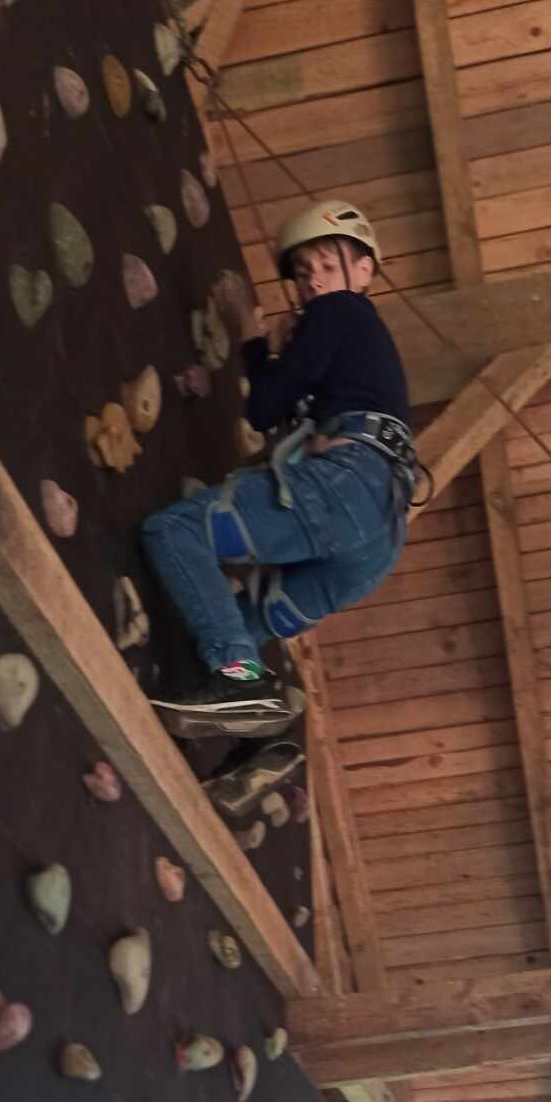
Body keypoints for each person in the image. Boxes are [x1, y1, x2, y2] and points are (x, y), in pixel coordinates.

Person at [142, 200, 415, 737]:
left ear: (364, 271)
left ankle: (242, 687)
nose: (313, 280)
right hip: (378, 540)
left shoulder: (340, 310)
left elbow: (264, 406)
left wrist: (250, 334)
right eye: (304, 271)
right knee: (244, 622)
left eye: (328, 264)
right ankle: (262, 744)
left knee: (175, 531)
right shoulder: (357, 346)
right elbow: (284, 409)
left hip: (347, 488)